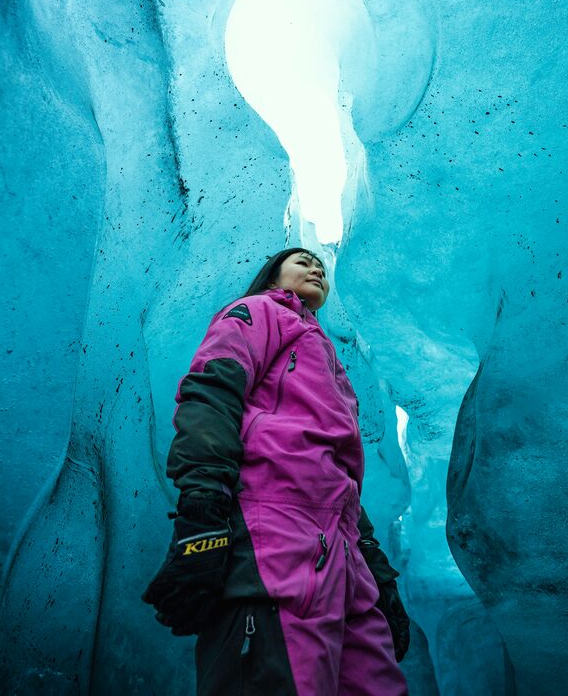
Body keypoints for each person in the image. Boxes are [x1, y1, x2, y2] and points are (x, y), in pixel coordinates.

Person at [143, 248, 411, 695]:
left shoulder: (325, 356)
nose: (315, 268)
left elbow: (337, 476)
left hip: (342, 560)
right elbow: (212, 392)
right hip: (273, 543)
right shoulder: (256, 312)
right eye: (301, 261)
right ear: (273, 273)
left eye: (320, 266)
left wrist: (375, 567)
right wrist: (202, 513)